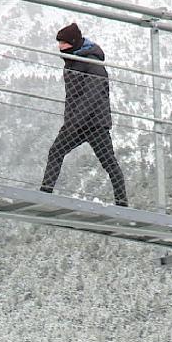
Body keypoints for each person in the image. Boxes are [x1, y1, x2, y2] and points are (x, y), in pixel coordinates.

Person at [40, 22, 128, 207]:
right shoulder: (72, 62)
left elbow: (91, 98)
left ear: (72, 43)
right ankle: (45, 192)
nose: (60, 48)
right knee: (57, 152)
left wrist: (72, 123)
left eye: (63, 44)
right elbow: (75, 98)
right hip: (80, 123)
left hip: (93, 124)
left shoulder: (92, 64)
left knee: (108, 162)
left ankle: (122, 203)